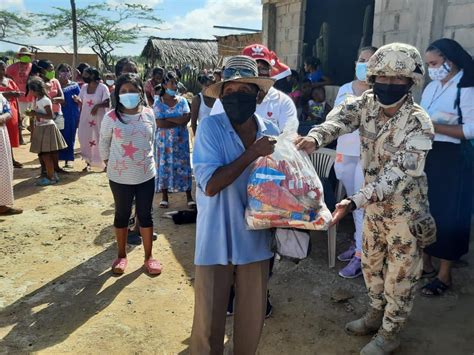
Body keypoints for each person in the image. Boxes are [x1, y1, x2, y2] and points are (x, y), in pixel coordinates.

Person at [296, 43, 436, 354]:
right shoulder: (366, 103)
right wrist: (315, 137)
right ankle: (374, 314)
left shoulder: (419, 123)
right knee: (371, 264)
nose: (388, 84)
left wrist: (354, 200)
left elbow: (398, 175)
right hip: (372, 207)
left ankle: (390, 331)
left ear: (411, 81)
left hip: (405, 211)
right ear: (372, 78)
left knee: (400, 275)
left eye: (397, 79)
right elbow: (339, 120)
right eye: (381, 77)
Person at [191, 55, 278, 354]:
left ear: (258, 95)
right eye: (229, 92)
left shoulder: (271, 131)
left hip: (255, 237)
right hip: (216, 235)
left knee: (252, 316)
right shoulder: (210, 128)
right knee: (208, 321)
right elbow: (212, 185)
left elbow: (277, 188)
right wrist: (253, 152)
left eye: (244, 92)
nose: (235, 98)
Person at [420, 38, 474, 297]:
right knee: (428, 208)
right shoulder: (431, 87)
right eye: (428, 64)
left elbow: (471, 129)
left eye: (435, 63)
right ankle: (427, 261)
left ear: (450, 60)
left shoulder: (465, 86)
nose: (431, 68)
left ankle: (445, 273)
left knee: (451, 213)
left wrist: (433, 127)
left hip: (455, 157)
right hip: (431, 154)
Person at [99, 73, 161, 275]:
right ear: (117, 93)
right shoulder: (111, 118)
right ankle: (121, 255)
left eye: (132, 90)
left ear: (141, 92)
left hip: (146, 175)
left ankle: (149, 257)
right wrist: (110, 163)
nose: (128, 95)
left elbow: (152, 139)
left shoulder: (149, 114)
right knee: (122, 214)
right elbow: (104, 142)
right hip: (119, 177)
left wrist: (145, 162)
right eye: (123, 91)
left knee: (145, 215)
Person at [333, 46, 378, 279]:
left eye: (370, 61)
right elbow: (334, 119)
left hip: (366, 156)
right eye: (361, 60)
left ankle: (362, 255)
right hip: (344, 153)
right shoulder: (344, 89)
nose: (364, 64)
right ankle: (357, 242)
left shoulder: (381, 92)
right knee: (350, 202)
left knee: (361, 204)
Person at [211, 44, 299, 134]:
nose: (259, 73)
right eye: (253, 68)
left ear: (270, 71)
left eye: (263, 68)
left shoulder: (283, 102)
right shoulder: (225, 99)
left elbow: (288, 137)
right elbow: (214, 133)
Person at [153, 71, 194, 208]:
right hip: (164, 143)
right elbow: (159, 124)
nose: (175, 85)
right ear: (164, 84)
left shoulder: (182, 101)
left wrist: (167, 118)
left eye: (176, 82)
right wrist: (177, 120)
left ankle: (189, 196)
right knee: (164, 167)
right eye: (172, 82)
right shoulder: (158, 102)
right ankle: (164, 197)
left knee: (184, 166)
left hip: (180, 142)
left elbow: (186, 119)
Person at [26, 78, 67, 186]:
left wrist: (35, 114)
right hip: (41, 128)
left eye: (30, 90)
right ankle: (51, 174)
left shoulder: (44, 100)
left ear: (35, 90)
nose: (29, 92)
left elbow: (50, 116)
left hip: (47, 128)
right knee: (44, 154)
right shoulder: (37, 100)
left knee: (46, 155)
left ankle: (51, 177)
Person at [74, 67, 110, 171]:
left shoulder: (103, 87)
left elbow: (107, 102)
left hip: (99, 119)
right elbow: (81, 100)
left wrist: (97, 106)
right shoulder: (84, 87)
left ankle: (105, 163)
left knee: (101, 139)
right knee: (85, 138)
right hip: (86, 118)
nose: (83, 77)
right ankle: (88, 162)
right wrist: (77, 99)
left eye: (85, 74)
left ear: (93, 75)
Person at [37, 59, 66, 174]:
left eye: (53, 69)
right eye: (50, 69)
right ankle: (44, 169)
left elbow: (62, 99)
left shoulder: (55, 82)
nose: (52, 71)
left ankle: (56, 167)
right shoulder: (38, 83)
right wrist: (53, 100)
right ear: (42, 70)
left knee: (55, 144)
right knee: (43, 144)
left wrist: (50, 100)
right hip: (43, 117)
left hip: (57, 115)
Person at [6, 47, 35, 148]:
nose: (25, 57)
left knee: (32, 117)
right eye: (23, 55)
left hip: (31, 96)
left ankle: (33, 137)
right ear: (20, 56)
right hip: (19, 97)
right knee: (19, 118)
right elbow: (6, 75)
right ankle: (20, 138)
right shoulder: (13, 67)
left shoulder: (32, 66)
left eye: (27, 55)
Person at [0, 92, 23, 215]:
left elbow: (8, 111)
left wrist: (3, 117)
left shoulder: (0, 96)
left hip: (1, 134)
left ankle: (2, 205)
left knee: (3, 169)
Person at [56, 63, 80, 169]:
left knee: (70, 136)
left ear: (70, 73)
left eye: (67, 70)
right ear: (58, 73)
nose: (65, 73)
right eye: (62, 70)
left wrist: (77, 99)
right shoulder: (55, 85)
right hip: (58, 115)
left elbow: (80, 99)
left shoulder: (74, 85)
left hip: (71, 114)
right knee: (58, 136)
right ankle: (56, 159)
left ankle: (68, 160)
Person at [0, 60, 22, 167]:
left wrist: (19, 114)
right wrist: (7, 93)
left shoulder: (10, 81)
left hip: (11, 112)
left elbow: (16, 96)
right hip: (1, 113)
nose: (1, 70)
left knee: (9, 136)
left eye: (3, 68)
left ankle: (11, 159)